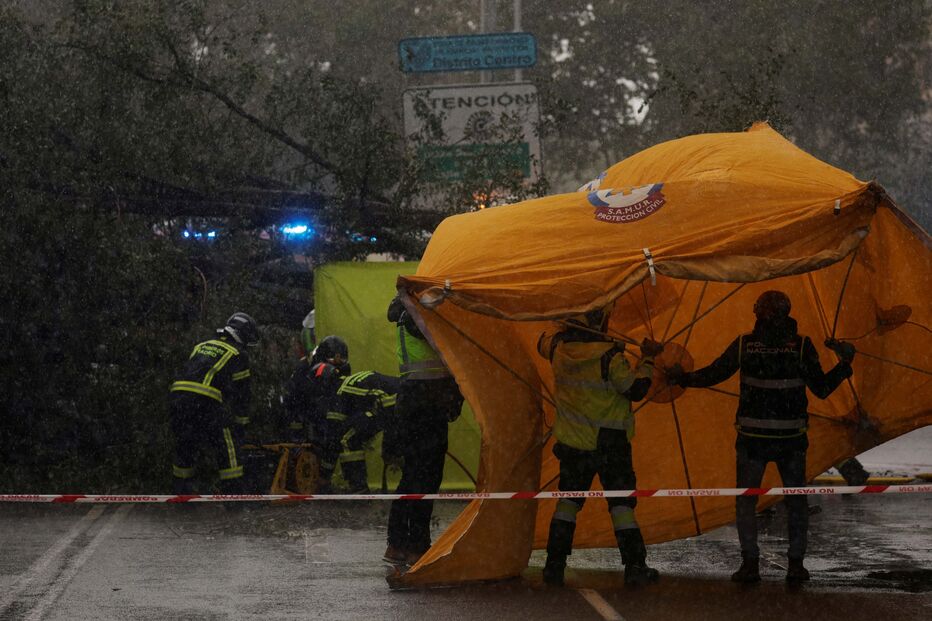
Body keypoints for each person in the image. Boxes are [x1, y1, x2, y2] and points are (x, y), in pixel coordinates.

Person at [666, 290, 855, 584]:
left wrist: (681, 378)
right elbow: (821, 388)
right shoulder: (802, 346)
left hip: (752, 441)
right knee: (796, 502)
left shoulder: (745, 345)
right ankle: (795, 566)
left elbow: (714, 374)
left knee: (745, 502)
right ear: (786, 313)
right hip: (791, 441)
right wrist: (844, 365)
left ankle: (750, 565)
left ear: (759, 313)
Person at [537, 307, 664, 587]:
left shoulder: (558, 349)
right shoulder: (610, 357)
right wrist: (648, 359)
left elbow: (541, 341)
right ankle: (634, 566)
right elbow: (636, 389)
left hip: (573, 445)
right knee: (621, 505)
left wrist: (564, 323)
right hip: (610, 445)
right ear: (600, 324)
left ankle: (553, 565)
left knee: (568, 503)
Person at [384, 293, 464, 567]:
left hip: (413, 400)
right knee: (426, 477)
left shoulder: (407, 316)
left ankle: (397, 543)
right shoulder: (415, 317)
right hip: (427, 401)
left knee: (412, 476)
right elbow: (445, 348)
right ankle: (417, 545)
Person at [169, 312, 259, 494]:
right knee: (226, 443)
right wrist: (241, 425)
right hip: (204, 401)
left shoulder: (201, 345)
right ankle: (233, 493)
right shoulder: (238, 354)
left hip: (178, 398)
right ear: (243, 335)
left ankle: (182, 492)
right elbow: (242, 396)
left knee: (186, 443)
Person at [283, 335, 351, 492]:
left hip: (298, 415)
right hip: (309, 418)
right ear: (334, 355)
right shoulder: (324, 369)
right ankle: (321, 481)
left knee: (309, 448)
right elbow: (323, 398)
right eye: (340, 357)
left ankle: (312, 480)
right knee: (329, 445)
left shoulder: (308, 366)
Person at [331, 370, 400, 492]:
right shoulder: (357, 379)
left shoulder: (340, 390)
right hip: (404, 397)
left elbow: (336, 423)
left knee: (347, 439)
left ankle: (358, 486)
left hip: (391, 404)